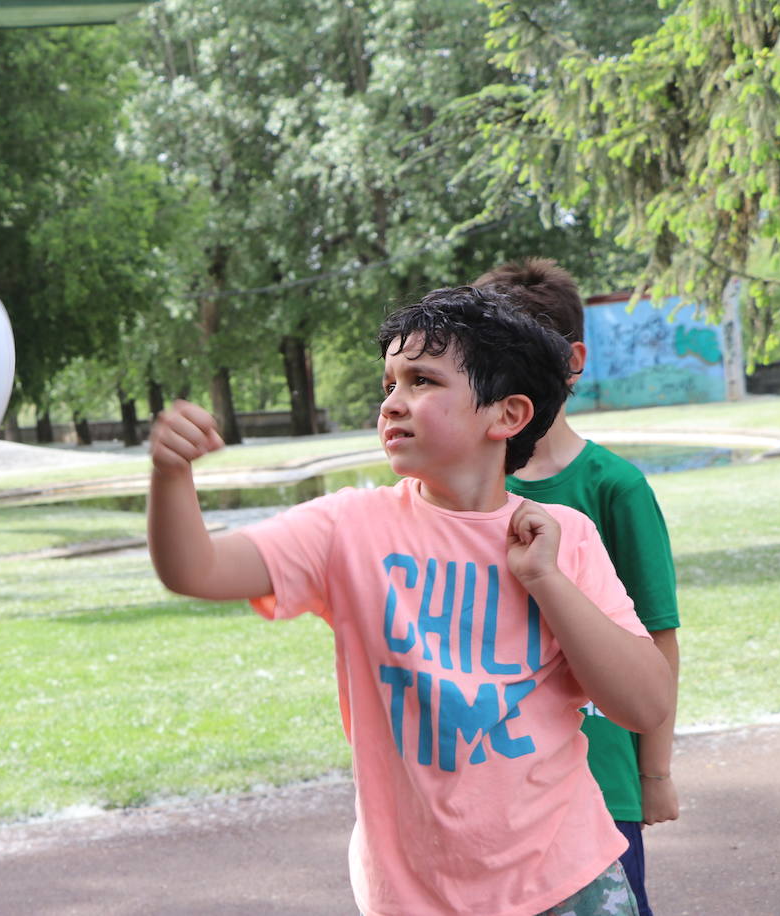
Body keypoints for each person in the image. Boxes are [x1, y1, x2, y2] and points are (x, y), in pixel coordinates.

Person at [147, 286, 672, 915]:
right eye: (389, 383)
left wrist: (547, 580)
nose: (392, 404)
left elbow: (645, 704)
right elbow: (197, 570)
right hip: (413, 895)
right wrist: (171, 476)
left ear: (506, 416)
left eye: (421, 380)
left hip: (566, 879)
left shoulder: (564, 536)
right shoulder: (347, 529)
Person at [475, 258, 680, 916]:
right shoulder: (466, 496)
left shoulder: (613, 487)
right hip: (493, 786)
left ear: (572, 360)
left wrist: (655, 775)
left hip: (601, 785)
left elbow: (657, 638)